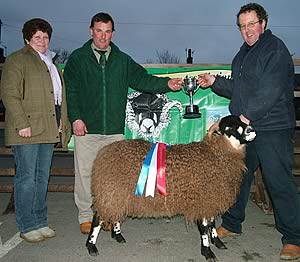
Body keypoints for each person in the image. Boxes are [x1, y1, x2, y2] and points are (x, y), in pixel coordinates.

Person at [63, 12, 183, 234]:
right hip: (87, 129)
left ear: (113, 33)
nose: (103, 36)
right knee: (86, 173)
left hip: (114, 132)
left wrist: (168, 84)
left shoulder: (122, 60)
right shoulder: (78, 59)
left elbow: (143, 79)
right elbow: (71, 90)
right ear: (91, 31)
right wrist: (76, 118)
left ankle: (109, 215)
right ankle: (86, 216)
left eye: (107, 31)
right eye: (99, 31)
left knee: (113, 177)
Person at [198, 3, 300, 260]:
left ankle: (293, 238)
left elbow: (270, 90)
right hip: (248, 129)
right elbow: (240, 89)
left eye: (251, 24)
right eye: (243, 26)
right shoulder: (243, 55)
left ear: (263, 24)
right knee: (239, 178)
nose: (247, 30)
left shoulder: (274, 50)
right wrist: (215, 82)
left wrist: (243, 118)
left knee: (278, 182)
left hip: (273, 127)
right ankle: (232, 223)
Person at [0, 18, 71, 243]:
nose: (42, 41)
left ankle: (40, 221)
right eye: (37, 37)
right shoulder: (17, 60)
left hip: (49, 128)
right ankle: (27, 224)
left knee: (42, 177)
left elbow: (58, 97)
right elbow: (9, 94)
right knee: (26, 179)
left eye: (45, 37)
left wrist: (62, 123)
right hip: (27, 129)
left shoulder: (52, 63)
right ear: (27, 39)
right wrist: (22, 124)